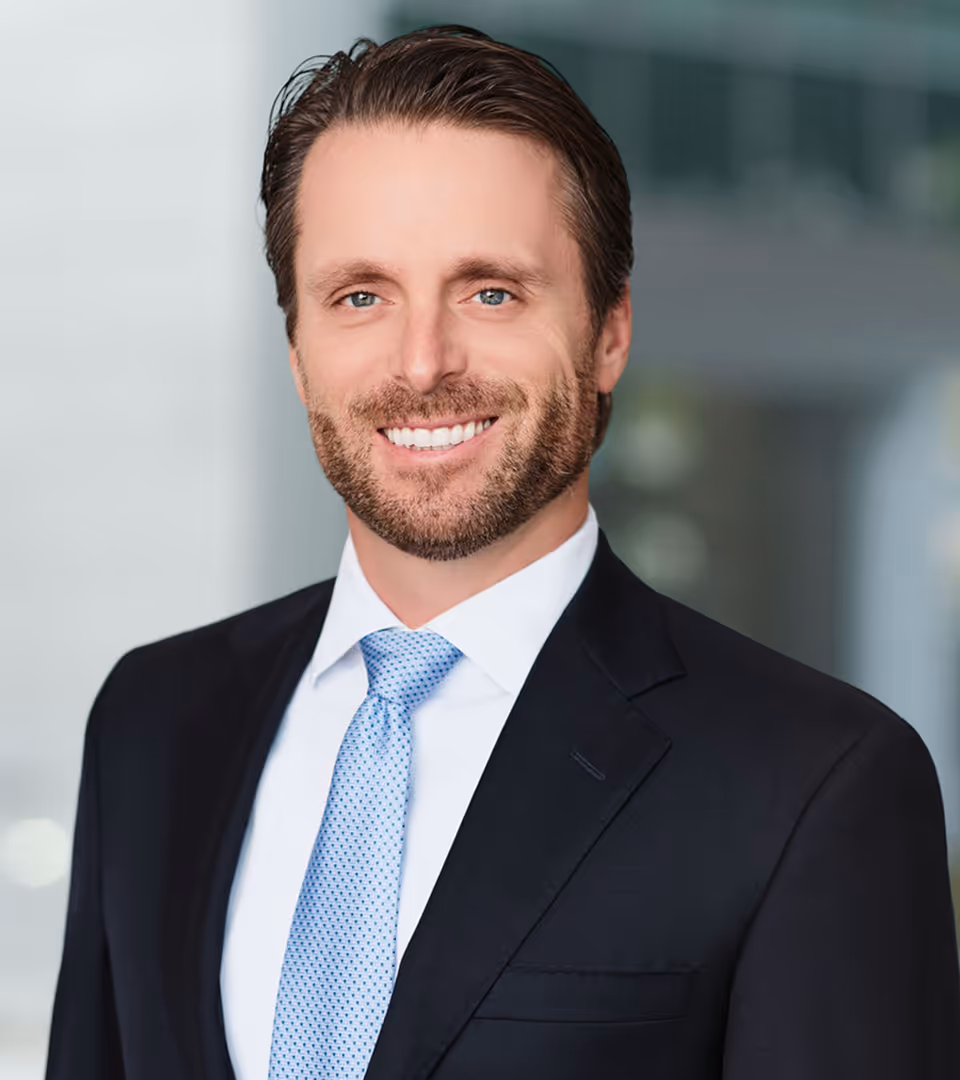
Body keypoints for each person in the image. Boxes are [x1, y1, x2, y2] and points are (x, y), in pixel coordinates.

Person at [47, 25, 960, 1080]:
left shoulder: (817, 781)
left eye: (491, 291)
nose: (422, 363)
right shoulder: (154, 719)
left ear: (609, 333)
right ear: (298, 350)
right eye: (360, 296)